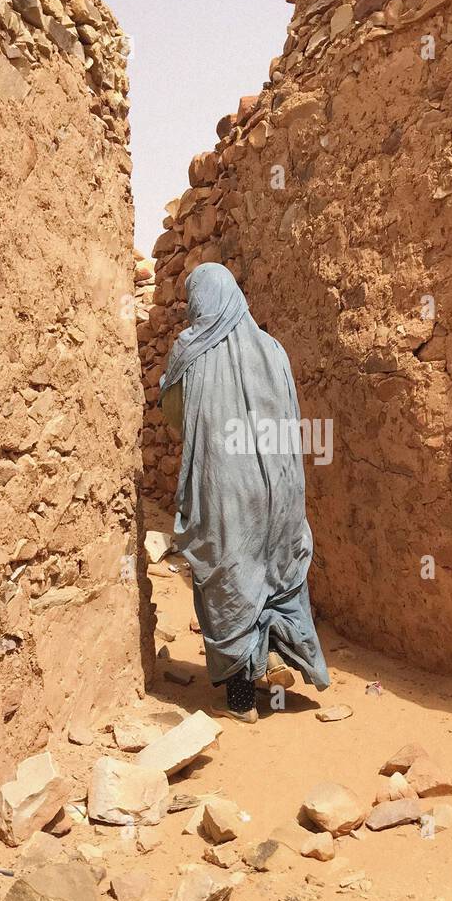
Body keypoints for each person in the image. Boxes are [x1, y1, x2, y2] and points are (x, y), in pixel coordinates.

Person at [159, 263, 330, 722]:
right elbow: (292, 421)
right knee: (274, 570)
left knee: (230, 577)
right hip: (279, 489)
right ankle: (272, 656)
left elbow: (174, 415)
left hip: (225, 492)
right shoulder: (273, 350)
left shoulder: (190, 353)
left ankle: (240, 697)